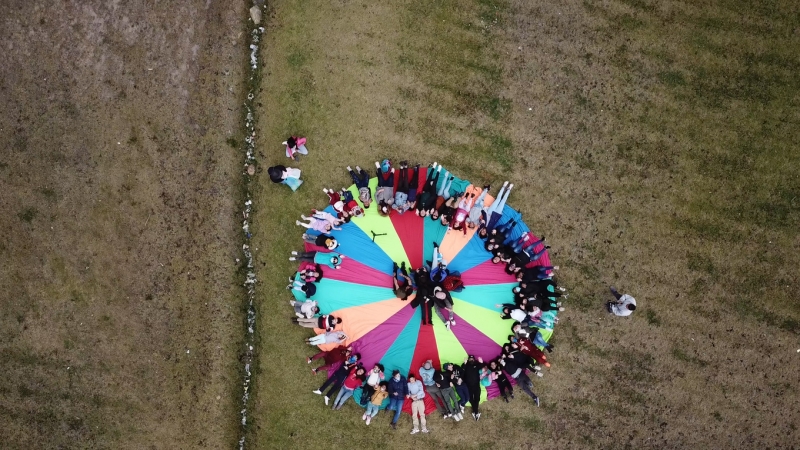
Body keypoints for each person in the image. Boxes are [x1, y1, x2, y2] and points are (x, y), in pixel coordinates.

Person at [462, 355, 484, 420]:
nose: (471, 359)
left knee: (477, 398)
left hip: (476, 384)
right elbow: (462, 371)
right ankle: (476, 412)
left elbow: (482, 367)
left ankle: (475, 412)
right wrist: (464, 364)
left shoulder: (477, 365)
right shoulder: (465, 365)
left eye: (472, 359)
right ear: (468, 360)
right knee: (470, 398)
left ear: (474, 360)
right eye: (470, 359)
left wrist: (481, 362)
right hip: (468, 385)